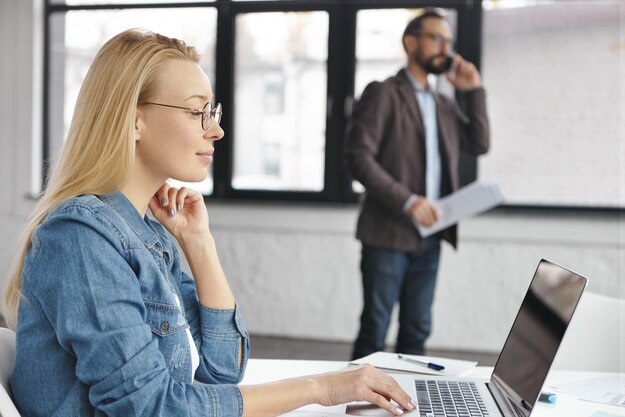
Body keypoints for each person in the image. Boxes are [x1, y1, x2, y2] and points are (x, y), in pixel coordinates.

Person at [2, 29, 416, 417]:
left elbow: (222, 370)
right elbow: (154, 407)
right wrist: (321, 388)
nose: (216, 130)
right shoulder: (80, 237)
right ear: (133, 120)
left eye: (212, 111)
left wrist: (199, 245)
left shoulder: (145, 232)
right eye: (198, 111)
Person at [344, 9, 490, 360]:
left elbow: (479, 143)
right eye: (437, 39)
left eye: (450, 42)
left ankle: (409, 407)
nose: (447, 49)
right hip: (387, 235)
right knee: (375, 329)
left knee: (417, 331)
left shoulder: (443, 103)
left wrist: (474, 92)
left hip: (430, 237)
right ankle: (354, 409)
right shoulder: (384, 93)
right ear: (411, 43)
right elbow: (358, 159)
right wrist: (408, 200)